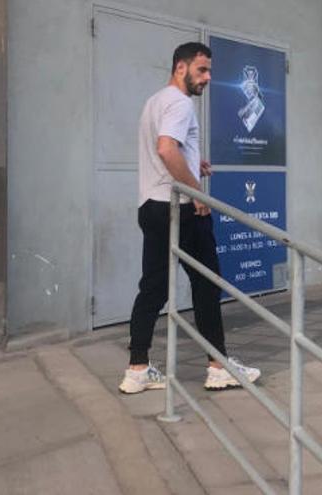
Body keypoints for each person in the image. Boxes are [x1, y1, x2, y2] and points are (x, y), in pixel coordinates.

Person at [119, 42, 260, 394]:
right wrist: (196, 191)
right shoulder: (180, 104)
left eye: (209, 71)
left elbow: (166, 148)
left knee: (152, 288)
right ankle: (218, 366)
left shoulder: (156, 101)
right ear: (180, 68)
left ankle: (137, 368)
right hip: (180, 208)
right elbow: (167, 148)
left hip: (152, 205)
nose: (208, 78)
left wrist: (192, 161)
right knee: (206, 285)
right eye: (202, 70)